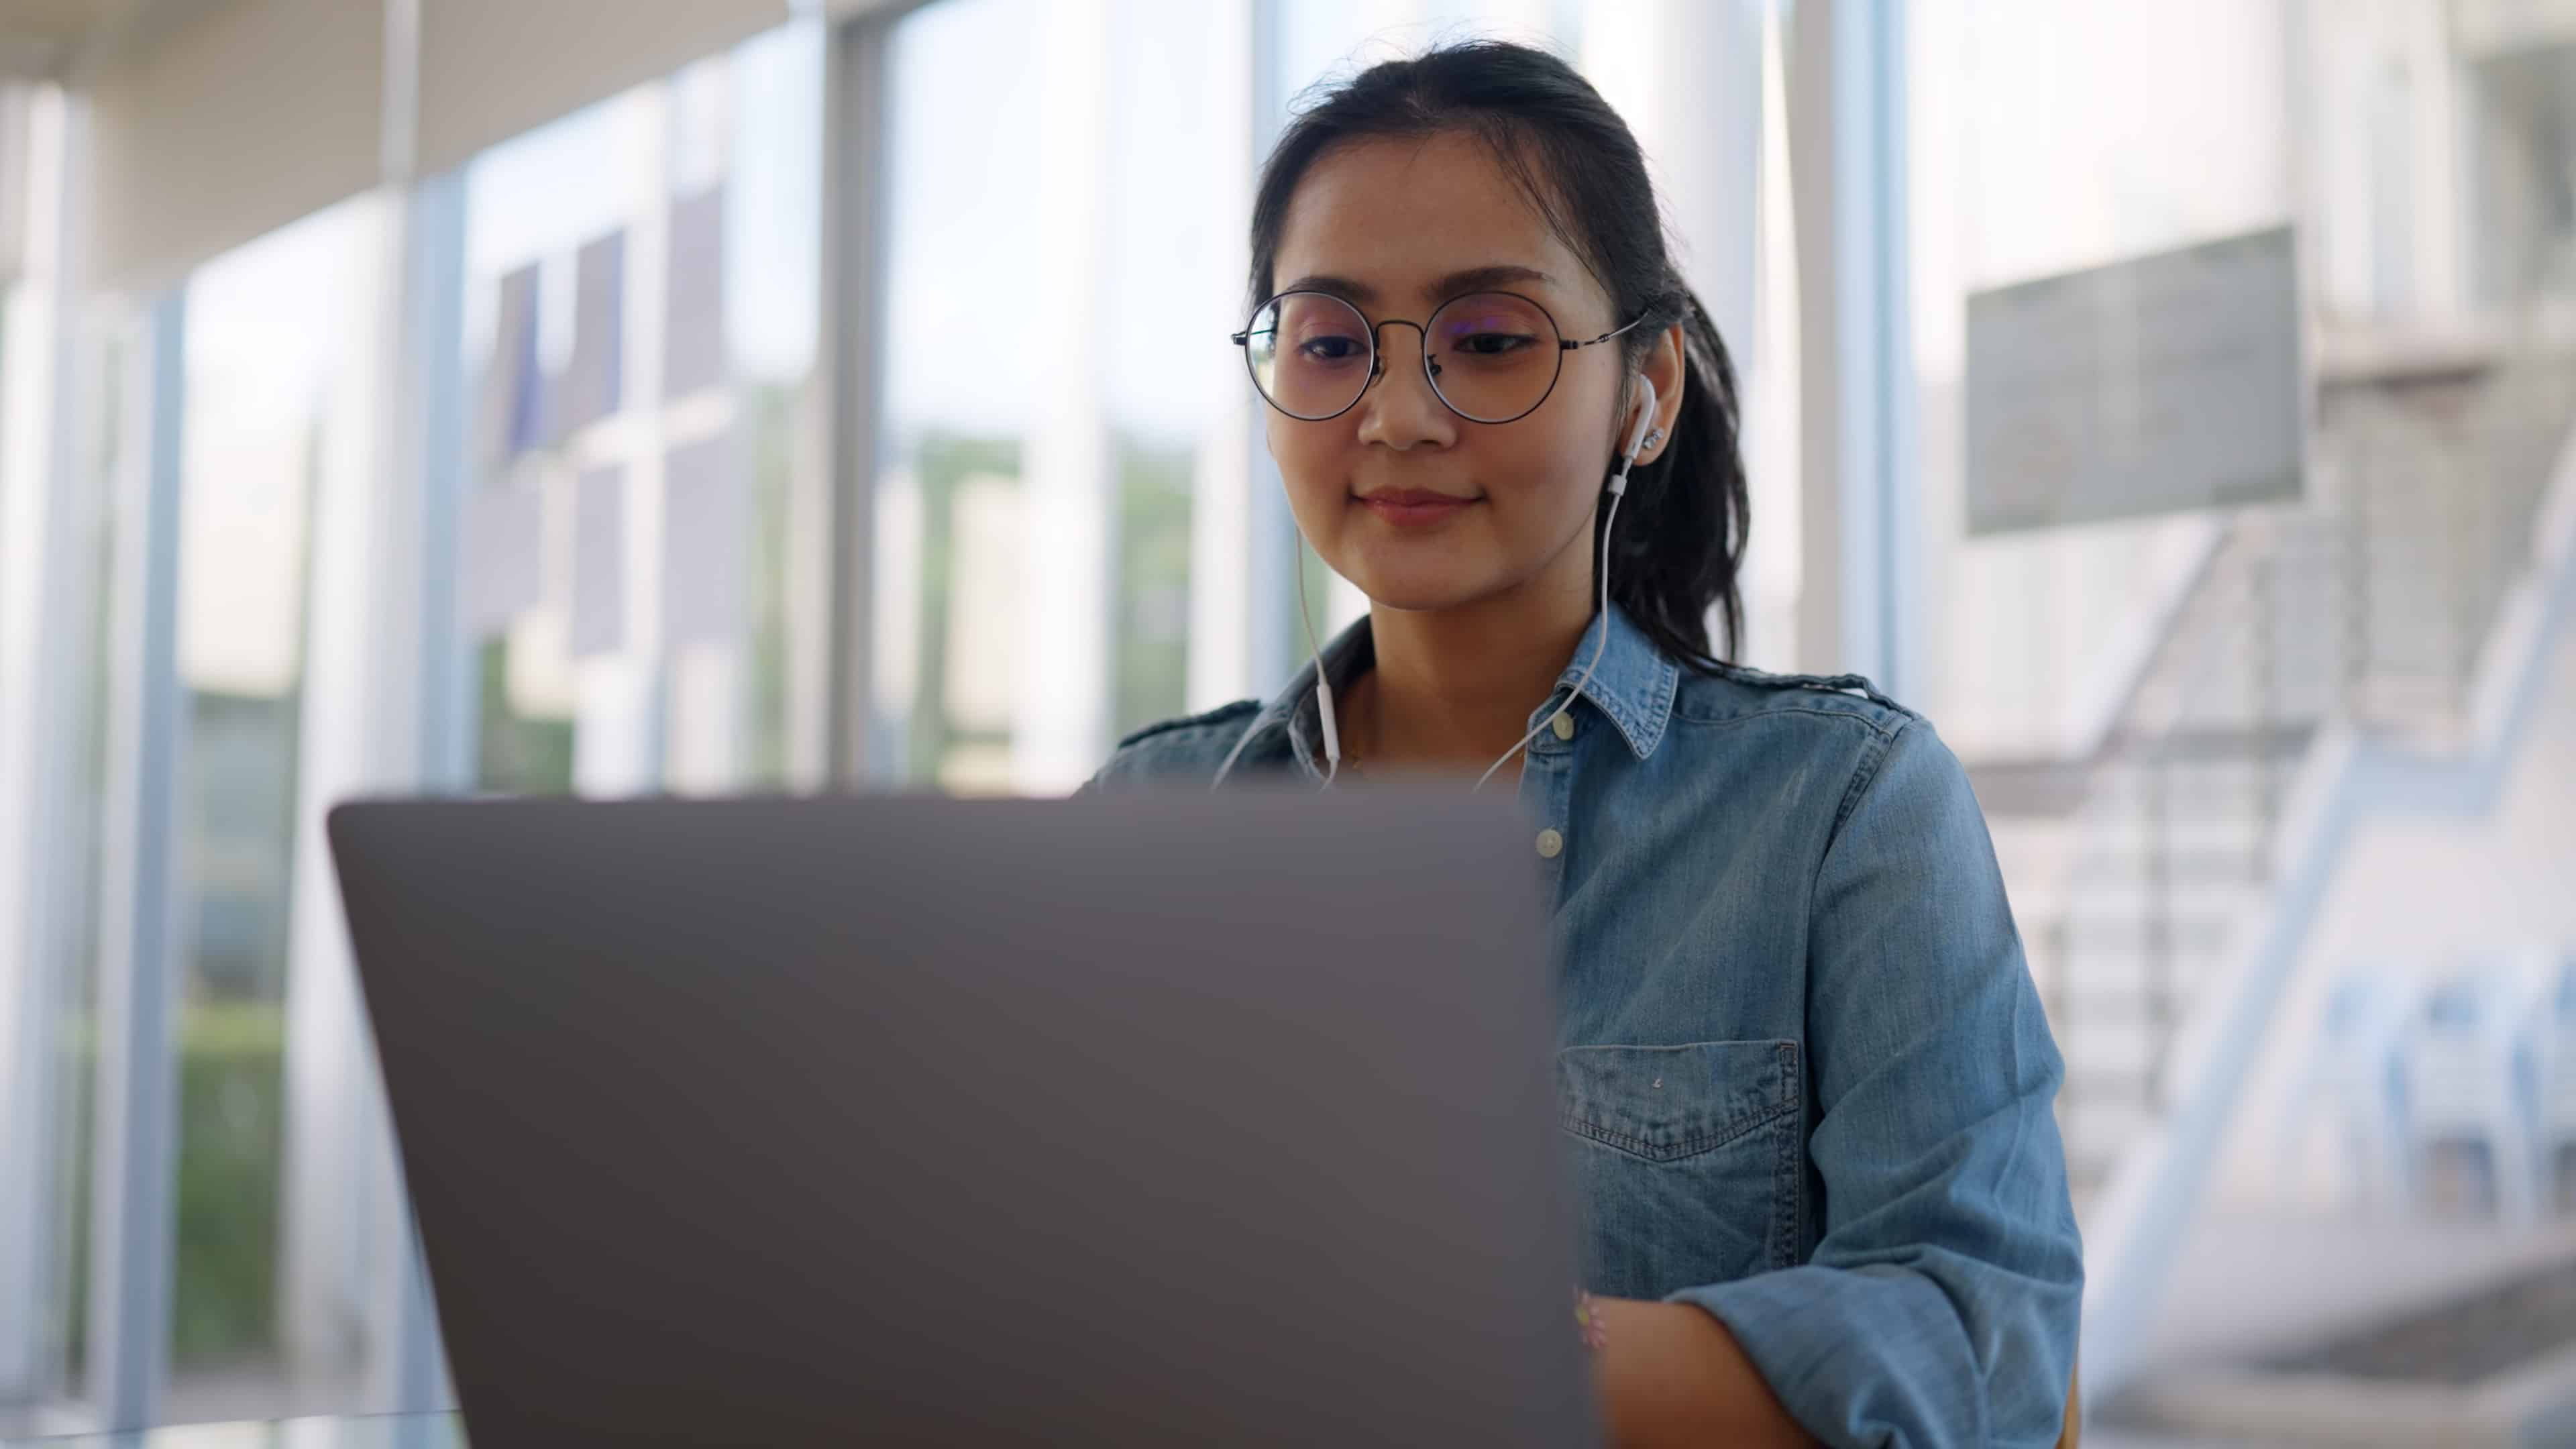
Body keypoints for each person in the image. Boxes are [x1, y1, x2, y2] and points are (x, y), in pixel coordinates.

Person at [1088, 40, 2080, 1448]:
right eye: (1329, 341)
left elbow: (1990, 1347)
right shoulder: (1145, 819)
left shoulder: (1842, 811)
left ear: (1648, 389)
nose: (1398, 414)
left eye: (1489, 339)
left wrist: (1466, 1347)